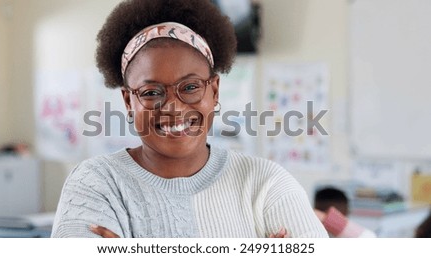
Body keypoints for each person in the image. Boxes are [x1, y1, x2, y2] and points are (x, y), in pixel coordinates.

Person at [51, 0, 328, 238]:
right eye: (151, 92)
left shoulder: (266, 184)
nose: (173, 107)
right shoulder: (95, 184)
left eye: (191, 87)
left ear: (214, 90)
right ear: (128, 101)